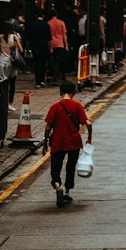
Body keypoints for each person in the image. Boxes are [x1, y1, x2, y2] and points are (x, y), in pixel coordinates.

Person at [43, 79, 91, 208]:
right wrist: (89, 139)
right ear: (74, 92)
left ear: (60, 92)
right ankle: (67, 191)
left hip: (58, 141)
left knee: (55, 167)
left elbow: (48, 127)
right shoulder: (77, 106)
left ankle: (57, 185)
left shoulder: (55, 107)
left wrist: (45, 143)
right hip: (74, 141)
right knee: (70, 167)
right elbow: (87, 123)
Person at [0, 22, 23, 107]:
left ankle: (1, 102)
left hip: (2, 62)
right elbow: (21, 50)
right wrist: (16, 46)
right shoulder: (14, 37)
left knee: (1, 83)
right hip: (12, 62)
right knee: (12, 83)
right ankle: (10, 103)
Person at [29, 9, 52, 87]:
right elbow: (49, 38)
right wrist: (50, 48)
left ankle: (37, 82)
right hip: (44, 47)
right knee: (43, 64)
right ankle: (42, 80)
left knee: (37, 65)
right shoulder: (46, 25)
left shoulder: (33, 25)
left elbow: (29, 37)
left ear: (36, 16)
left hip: (35, 47)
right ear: (43, 16)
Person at [48, 7, 69, 81]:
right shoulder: (61, 22)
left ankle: (53, 75)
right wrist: (66, 45)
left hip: (52, 44)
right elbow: (64, 35)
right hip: (60, 44)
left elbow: (48, 36)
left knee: (52, 61)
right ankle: (57, 75)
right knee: (59, 60)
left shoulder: (49, 23)